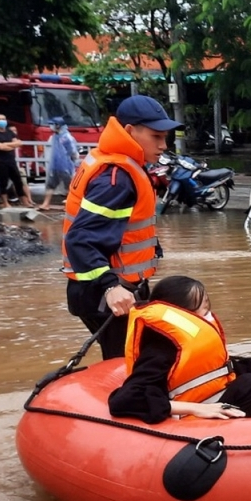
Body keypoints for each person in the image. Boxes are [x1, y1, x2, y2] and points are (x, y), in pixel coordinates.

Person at [61, 94, 181, 360]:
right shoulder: (117, 179)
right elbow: (79, 239)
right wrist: (109, 286)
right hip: (107, 294)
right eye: (156, 137)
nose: (163, 145)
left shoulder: (114, 162)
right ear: (129, 131)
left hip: (108, 290)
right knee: (127, 364)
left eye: (165, 137)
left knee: (131, 358)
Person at [108, 276, 251, 423]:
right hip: (190, 414)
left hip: (212, 398)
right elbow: (125, 400)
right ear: (182, 313)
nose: (208, 315)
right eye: (203, 310)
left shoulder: (191, 337)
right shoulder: (161, 347)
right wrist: (198, 409)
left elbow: (213, 369)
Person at [37, 117, 79, 211]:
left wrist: (74, 164)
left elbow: (73, 152)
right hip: (55, 165)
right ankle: (45, 204)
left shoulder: (67, 137)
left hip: (65, 166)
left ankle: (68, 205)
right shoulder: (55, 136)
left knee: (69, 187)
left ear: (58, 125)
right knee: (50, 185)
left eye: (52, 124)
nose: (50, 127)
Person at [0, 113, 34, 207]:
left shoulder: (9, 132)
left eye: (3, 119)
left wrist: (6, 145)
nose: (2, 121)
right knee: (3, 182)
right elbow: (0, 147)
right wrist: (11, 145)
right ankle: (5, 202)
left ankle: (25, 201)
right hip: (0, 162)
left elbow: (19, 143)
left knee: (18, 181)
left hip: (11, 161)